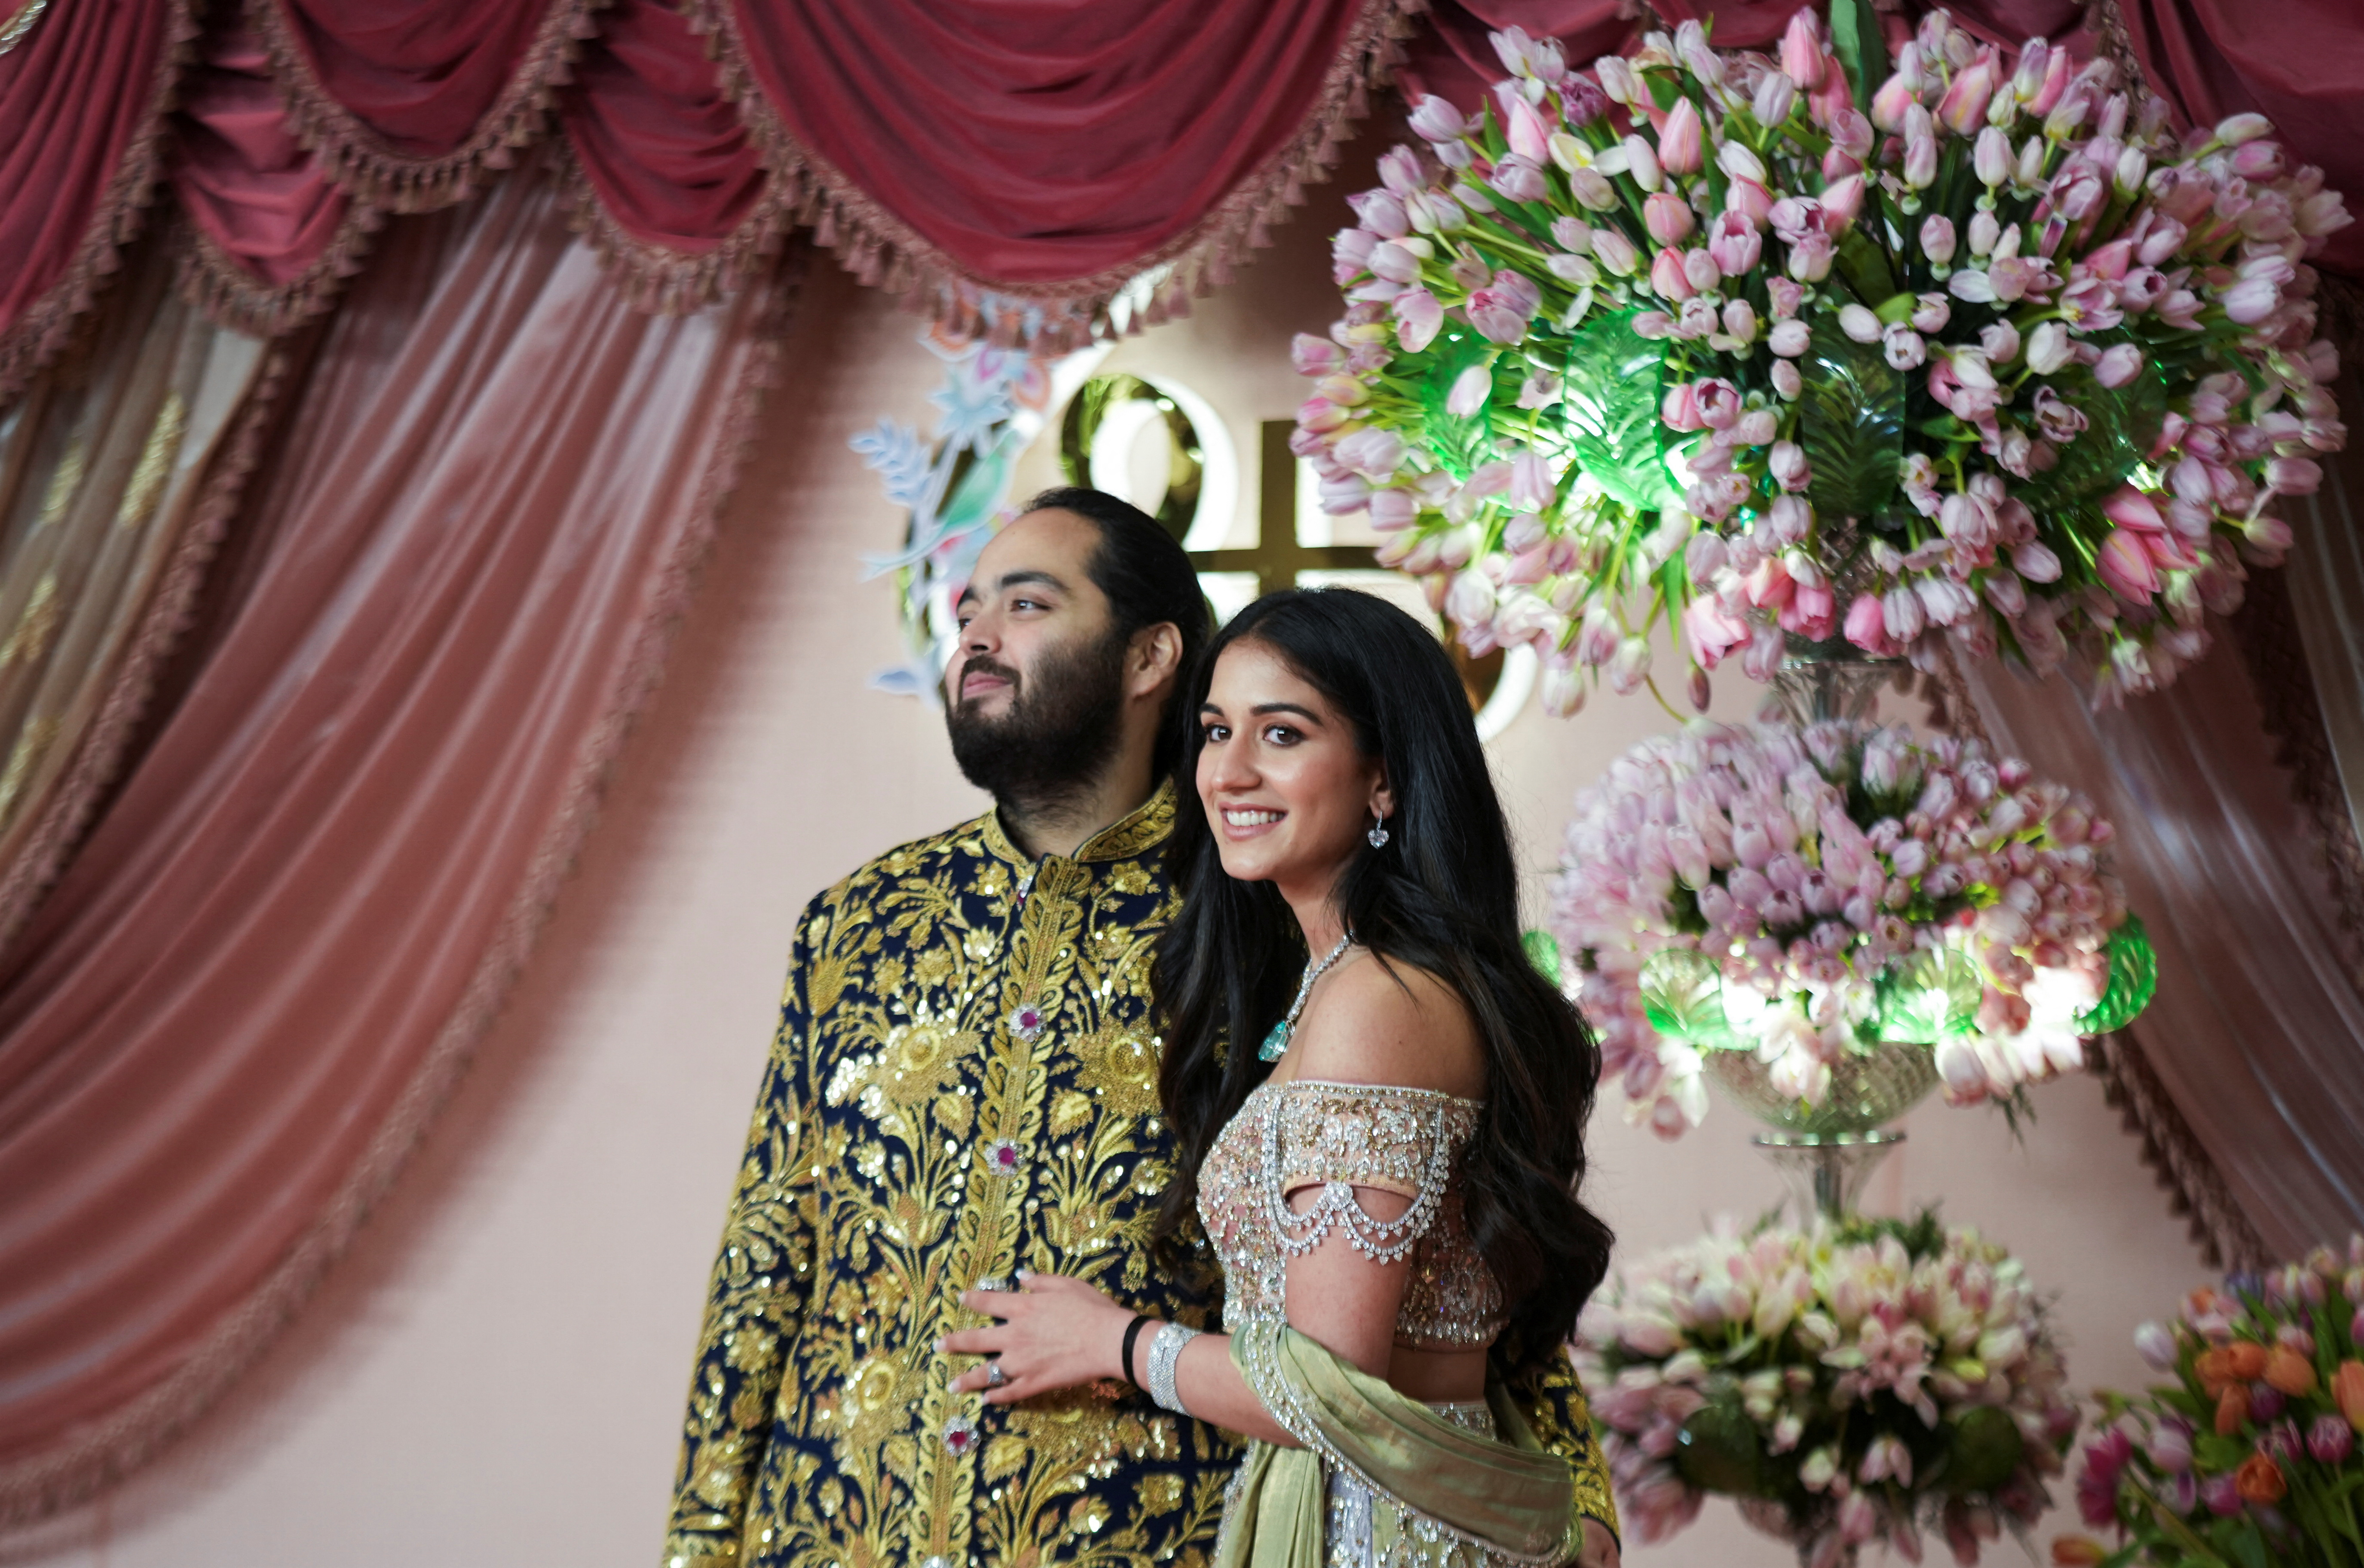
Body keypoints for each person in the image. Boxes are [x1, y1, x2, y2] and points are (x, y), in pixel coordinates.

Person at [661, 492, 1615, 1568]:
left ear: (1150, 654)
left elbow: (1441, 1246)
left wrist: (1567, 1495)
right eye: (968, 606)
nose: (975, 633)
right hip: (835, 1534)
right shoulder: (860, 925)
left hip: (1159, 1538)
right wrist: (701, 1547)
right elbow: (767, 1255)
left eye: (1025, 604)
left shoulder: (1259, 914)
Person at [937, 588, 1620, 1568]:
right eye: (1216, 731)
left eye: (1283, 733)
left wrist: (1115, 1345)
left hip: (1379, 1531)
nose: (1230, 771)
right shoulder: (1347, 984)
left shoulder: (1377, 1000)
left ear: (1383, 780)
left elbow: (1323, 1385)